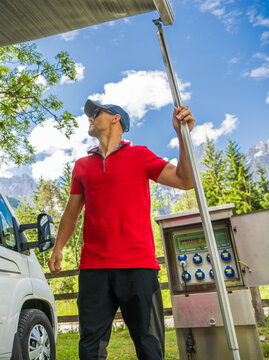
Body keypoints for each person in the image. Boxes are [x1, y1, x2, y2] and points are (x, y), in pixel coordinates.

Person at [48, 99, 195, 360]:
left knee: (149, 345)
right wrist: (58, 247)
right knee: (90, 347)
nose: (90, 118)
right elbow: (72, 212)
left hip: (138, 266)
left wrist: (182, 135)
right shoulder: (82, 165)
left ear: (116, 118)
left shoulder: (140, 155)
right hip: (93, 268)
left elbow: (185, 181)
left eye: (95, 113)